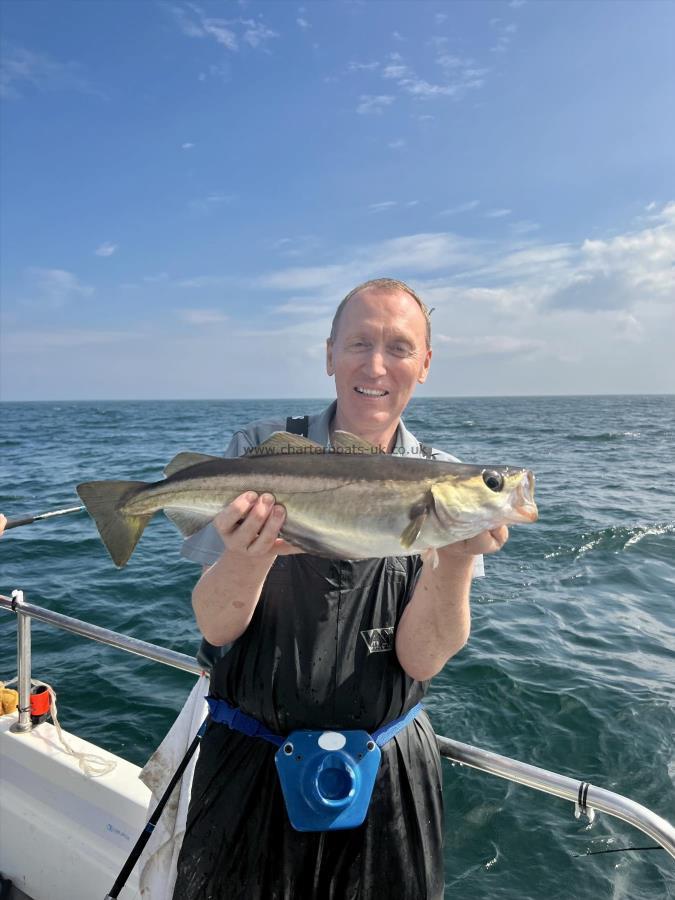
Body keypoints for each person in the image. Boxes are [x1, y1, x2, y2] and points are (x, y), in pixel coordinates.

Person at [173, 278, 509, 899]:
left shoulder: (448, 483)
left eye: (400, 348)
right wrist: (248, 560)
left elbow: (421, 659)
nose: (375, 365)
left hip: (386, 774)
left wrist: (456, 562)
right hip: (250, 765)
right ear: (329, 354)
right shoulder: (257, 452)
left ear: (426, 364)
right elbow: (215, 627)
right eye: (359, 343)